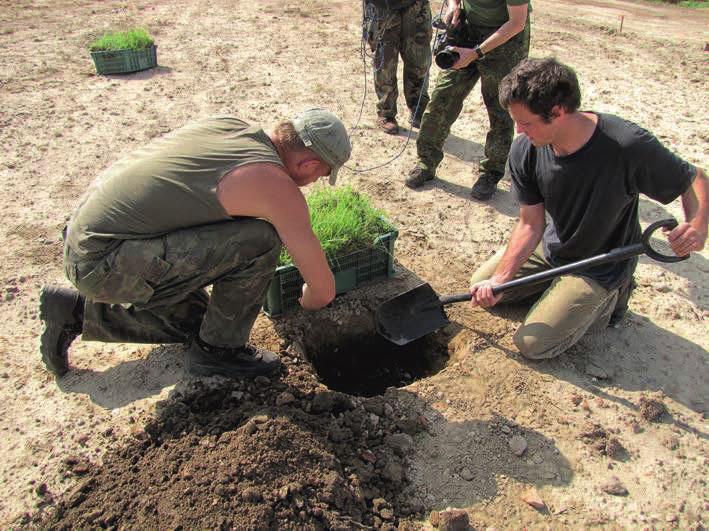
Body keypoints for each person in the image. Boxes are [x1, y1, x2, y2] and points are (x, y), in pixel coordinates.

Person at [38, 108, 352, 379]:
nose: (315, 182)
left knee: (203, 318)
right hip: (101, 262)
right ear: (309, 164)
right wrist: (306, 305)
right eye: (322, 175)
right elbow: (322, 292)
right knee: (260, 242)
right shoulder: (275, 186)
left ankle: (74, 311)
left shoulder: (231, 126)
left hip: (86, 232)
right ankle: (218, 352)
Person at [469, 57, 708, 360]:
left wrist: (698, 225)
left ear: (557, 112)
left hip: (601, 263)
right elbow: (530, 223)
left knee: (532, 345)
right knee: (482, 287)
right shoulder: (525, 149)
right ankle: (556, 290)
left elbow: (694, 178)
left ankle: (612, 298)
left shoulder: (627, 146)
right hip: (554, 248)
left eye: (526, 122)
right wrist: (502, 280)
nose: (518, 131)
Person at [405, 0, 530, 200]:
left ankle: (491, 172)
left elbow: (517, 22)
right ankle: (426, 162)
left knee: (500, 107)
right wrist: (454, 6)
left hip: (506, 38)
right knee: (441, 98)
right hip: (468, 30)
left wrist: (476, 53)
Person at [365, 0, 433, 134]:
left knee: (419, 59)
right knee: (385, 62)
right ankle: (386, 112)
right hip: (383, 8)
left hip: (416, 6)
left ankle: (418, 108)